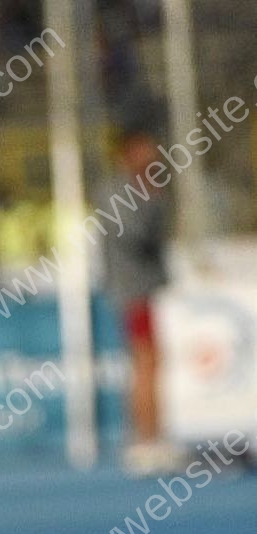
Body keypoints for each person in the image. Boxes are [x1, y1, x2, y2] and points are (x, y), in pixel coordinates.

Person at [103, 129, 183, 475]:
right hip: (133, 289)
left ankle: (152, 437)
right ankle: (145, 439)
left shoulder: (147, 187)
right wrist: (152, 201)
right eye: (144, 150)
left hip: (145, 289)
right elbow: (132, 237)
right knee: (145, 364)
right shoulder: (119, 190)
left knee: (151, 363)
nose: (150, 157)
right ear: (129, 152)